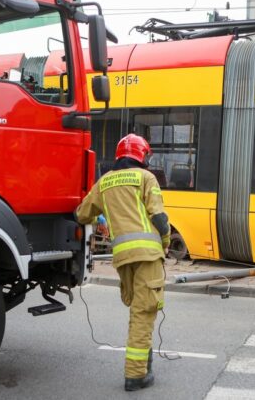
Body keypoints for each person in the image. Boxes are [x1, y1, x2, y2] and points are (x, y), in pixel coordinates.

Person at [74, 133, 170, 392]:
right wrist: (166, 241)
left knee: (138, 309)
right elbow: (159, 217)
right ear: (141, 155)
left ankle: (141, 363)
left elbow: (82, 213)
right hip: (148, 254)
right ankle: (136, 375)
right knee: (144, 311)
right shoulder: (146, 178)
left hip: (123, 258)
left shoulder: (104, 182)